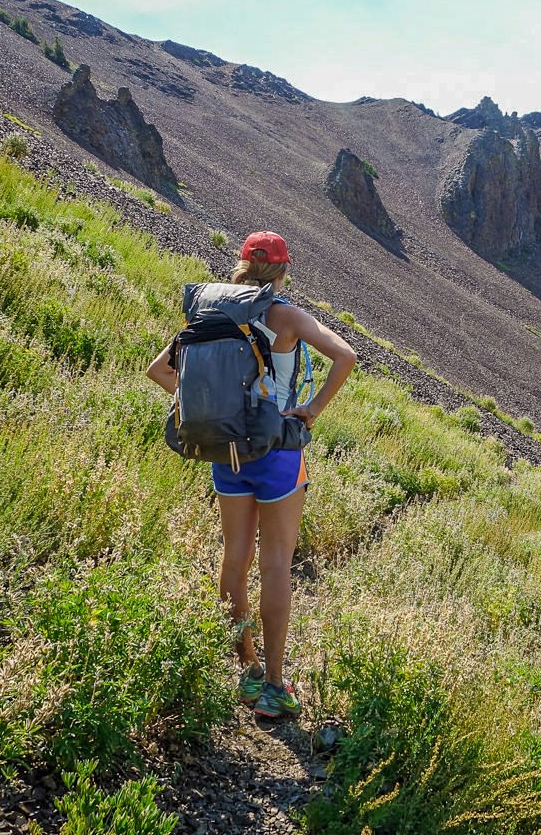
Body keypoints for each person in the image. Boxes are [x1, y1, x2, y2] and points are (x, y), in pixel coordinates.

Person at [145, 230, 357, 719]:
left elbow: (159, 370)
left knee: (234, 557)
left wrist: (211, 406)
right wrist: (313, 408)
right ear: (282, 272)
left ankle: (247, 670)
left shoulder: (212, 311)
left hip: (226, 451)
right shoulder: (284, 315)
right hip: (278, 451)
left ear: (241, 266)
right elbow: (346, 356)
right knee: (277, 561)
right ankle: (276, 687)